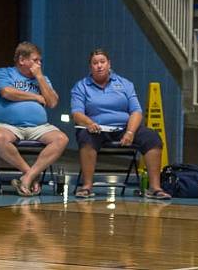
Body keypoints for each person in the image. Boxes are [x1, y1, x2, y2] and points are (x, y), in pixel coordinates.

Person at [70, 48, 171, 200]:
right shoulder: (81, 86)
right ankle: (87, 187)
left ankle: (155, 188)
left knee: (152, 138)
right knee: (85, 138)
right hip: (96, 129)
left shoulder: (125, 84)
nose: (99, 66)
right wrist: (89, 123)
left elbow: (136, 111)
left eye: (102, 62)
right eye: (95, 63)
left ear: (109, 64)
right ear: (90, 67)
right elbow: (77, 114)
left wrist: (130, 132)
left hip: (124, 128)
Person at [0, 42, 68, 196]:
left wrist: (39, 77)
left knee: (61, 139)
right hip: (8, 126)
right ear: (21, 60)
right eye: (35, 60)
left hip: (39, 127)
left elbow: (52, 102)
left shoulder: (42, 79)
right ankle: (31, 174)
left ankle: (28, 177)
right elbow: (6, 92)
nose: (39, 64)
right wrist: (36, 97)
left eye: (40, 61)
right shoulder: (5, 73)